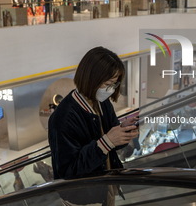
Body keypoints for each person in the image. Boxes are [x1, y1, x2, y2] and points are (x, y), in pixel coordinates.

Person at [48, 46, 139, 204]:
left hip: (106, 184)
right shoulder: (62, 118)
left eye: (114, 85)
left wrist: (122, 132)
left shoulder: (102, 102)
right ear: (91, 78)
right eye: (108, 83)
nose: (110, 90)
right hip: (83, 197)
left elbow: (110, 142)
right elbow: (68, 172)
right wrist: (106, 142)